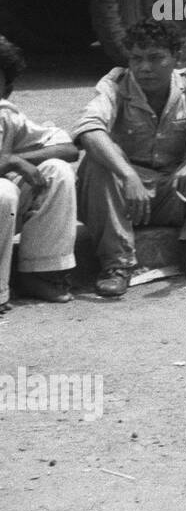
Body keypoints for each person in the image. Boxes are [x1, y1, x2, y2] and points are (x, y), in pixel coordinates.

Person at [73, 21, 186, 298]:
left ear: (175, 58)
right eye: (136, 59)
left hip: (171, 191)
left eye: (155, 58)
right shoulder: (115, 84)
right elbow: (89, 129)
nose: (144, 67)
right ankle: (117, 265)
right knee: (95, 161)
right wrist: (127, 174)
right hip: (126, 195)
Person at [0, 36, 78, 311]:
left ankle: (38, 271)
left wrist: (16, 159)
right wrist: (9, 163)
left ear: (6, 89)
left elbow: (69, 149)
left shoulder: (6, 117)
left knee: (57, 171)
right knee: (4, 192)